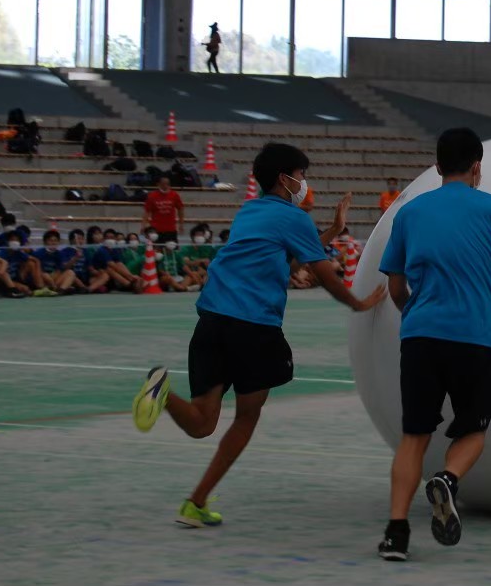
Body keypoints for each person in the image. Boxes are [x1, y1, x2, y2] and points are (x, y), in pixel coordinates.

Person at [130, 143, 386, 529]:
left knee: (202, 423)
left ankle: (162, 393)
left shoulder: (250, 211)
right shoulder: (294, 216)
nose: (304, 183)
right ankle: (196, 500)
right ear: (285, 179)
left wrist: (333, 230)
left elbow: (289, 260)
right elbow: (321, 272)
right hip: (253, 325)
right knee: (247, 415)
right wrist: (358, 303)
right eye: (301, 175)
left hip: (212, 319)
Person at [376, 128, 491, 562]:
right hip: (476, 336)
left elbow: (396, 288)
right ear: (477, 167)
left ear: (437, 166)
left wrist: (418, 314)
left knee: (414, 437)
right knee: (473, 431)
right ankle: (448, 480)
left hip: (421, 336)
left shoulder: (408, 213)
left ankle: (396, 534)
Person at [35, 230, 80, 295]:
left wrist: (76, 258)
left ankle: (61, 290)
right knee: (45, 275)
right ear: (45, 242)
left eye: (55, 241)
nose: (53, 243)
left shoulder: (59, 254)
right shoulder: (38, 253)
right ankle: (52, 289)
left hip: (53, 280)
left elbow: (61, 269)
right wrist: (48, 278)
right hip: (42, 281)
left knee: (70, 272)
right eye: (51, 241)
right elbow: (37, 272)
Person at [144, 177, 185, 244]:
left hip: (171, 229)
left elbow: (180, 209)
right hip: (156, 229)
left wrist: (181, 224)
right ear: (158, 184)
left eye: (167, 184)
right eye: (163, 184)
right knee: (157, 248)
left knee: (172, 247)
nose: (165, 186)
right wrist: (144, 225)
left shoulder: (174, 195)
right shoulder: (152, 195)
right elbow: (147, 211)